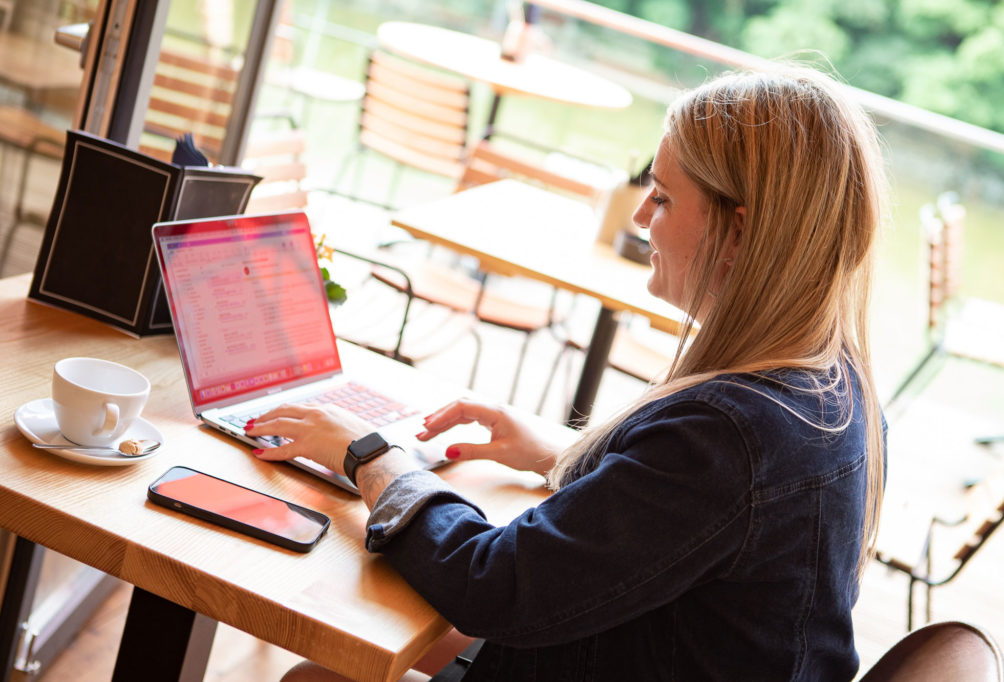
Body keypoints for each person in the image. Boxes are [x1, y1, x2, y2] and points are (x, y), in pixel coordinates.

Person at [247, 63, 888, 681]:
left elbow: (494, 587)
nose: (640, 220)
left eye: (662, 197)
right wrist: (569, 454)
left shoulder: (724, 435)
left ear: (740, 233)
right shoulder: (836, 384)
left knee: (316, 674)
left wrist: (371, 455)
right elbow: (702, 525)